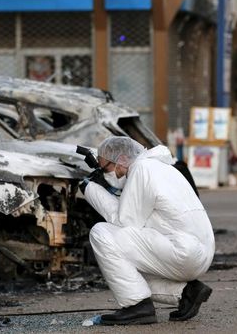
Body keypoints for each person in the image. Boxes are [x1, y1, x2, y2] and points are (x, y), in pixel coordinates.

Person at [80, 136, 215, 325]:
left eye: (105, 169)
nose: (106, 175)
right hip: (199, 252)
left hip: (183, 252)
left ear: (123, 159)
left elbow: (124, 222)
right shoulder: (163, 168)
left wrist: (91, 189)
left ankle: (136, 307)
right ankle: (186, 293)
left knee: (101, 234)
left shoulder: (141, 169)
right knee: (125, 270)